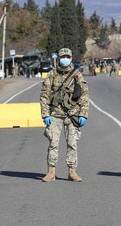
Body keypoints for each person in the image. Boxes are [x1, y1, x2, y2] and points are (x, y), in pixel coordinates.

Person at [40, 48, 90, 182]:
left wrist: (83, 115)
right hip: (55, 114)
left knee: (72, 143)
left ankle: (72, 171)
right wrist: (45, 114)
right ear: (58, 58)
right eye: (63, 56)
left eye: (67, 56)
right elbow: (44, 96)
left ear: (71, 58)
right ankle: (51, 172)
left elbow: (84, 96)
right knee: (53, 143)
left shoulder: (77, 75)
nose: (65, 58)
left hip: (72, 114)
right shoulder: (52, 75)